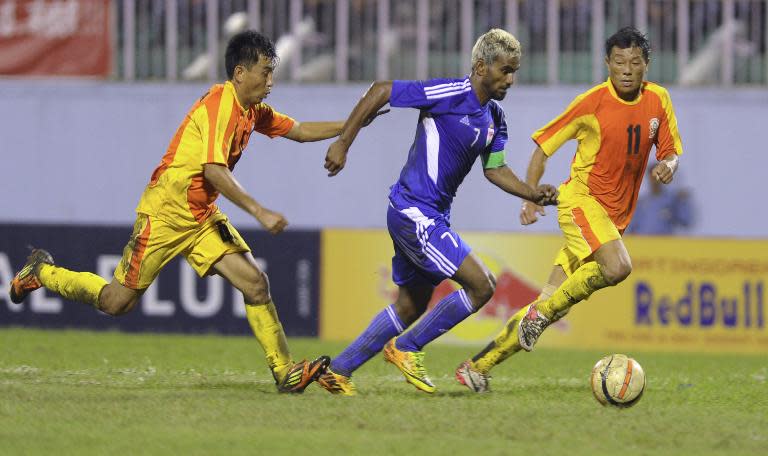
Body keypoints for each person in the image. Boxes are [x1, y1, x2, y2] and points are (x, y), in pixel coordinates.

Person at [9, 30, 382, 394]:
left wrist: (353, 123)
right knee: (116, 302)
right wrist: (260, 211)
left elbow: (298, 130)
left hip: (201, 214)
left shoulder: (253, 112)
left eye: (272, 72)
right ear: (240, 73)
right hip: (166, 212)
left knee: (255, 283)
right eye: (265, 72)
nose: (271, 80)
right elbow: (213, 170)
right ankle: (42, 272)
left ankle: (285, 371)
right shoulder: (221, 103)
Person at [317, 29, 559, 395]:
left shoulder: (495, 118)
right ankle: (406, 348)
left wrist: (532, 194)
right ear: (481, 67)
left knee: (411, 305)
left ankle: (337, 371)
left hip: (430, 216)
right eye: (505, 70)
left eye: (515, 71)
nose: (510, 79)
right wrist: (343, 142)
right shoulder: (449, 94)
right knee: (482, 286)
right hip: (414, 211)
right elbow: (382, 89)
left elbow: (494, 170)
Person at [457, 27, 684, 393]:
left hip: (612, 220)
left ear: (646, 65)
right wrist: (531, 196)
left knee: (552, 301)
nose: (627, 69)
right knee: (618, 266)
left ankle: (476, 367)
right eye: (619, 62)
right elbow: (542, 149)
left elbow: (670, 152)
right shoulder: (591, 103)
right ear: (607, 63)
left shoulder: (658, 100)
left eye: (635, 62)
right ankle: (540, 316)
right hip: (580, 203)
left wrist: (668, 167)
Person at [627, 166, 693, 235]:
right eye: (652, 176)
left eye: (658, 175)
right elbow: (631, 228)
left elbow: (686, 221)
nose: (655, 180)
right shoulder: (641, 203)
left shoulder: (672, 200)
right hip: (644, 243)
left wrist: (683, 202)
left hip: (664, 244)